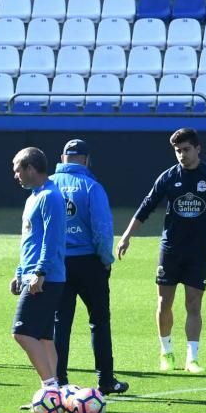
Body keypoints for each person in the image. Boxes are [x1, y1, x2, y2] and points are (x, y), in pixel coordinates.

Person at [117, 128, 206, 373]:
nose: (182, 155)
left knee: (194, 304)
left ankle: (193, 357)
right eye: (178, 151)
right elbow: (147, 206)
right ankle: (166, 352)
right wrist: (126, 236)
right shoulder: (168, 177)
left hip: (198, 251)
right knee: (164, 301)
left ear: (198, 149)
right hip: (170, 250)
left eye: (186, 150)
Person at [50, 139, 129, 395]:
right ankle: (105, 379)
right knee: (99, 322)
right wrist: (106, 260)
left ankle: (59, 380)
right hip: (89, 262)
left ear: (63, 158)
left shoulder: (48, 185)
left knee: (60, 323)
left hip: (58, 263)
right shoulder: (92, 187)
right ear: (85, 159)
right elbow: (102, 231)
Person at [10, 147, 66, 394]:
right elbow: (30, 240)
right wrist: (19, 272)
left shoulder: (50, 197)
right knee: (44, 337)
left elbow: (51, 239)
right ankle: (58, 391)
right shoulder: (34, 197)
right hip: (33, 275)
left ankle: (49, 387)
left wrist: (39, 272)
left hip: (45, 278)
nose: (15, 175)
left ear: (30, 168)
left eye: (17, 170)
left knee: (21, 332)